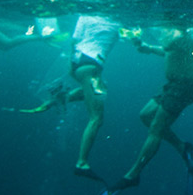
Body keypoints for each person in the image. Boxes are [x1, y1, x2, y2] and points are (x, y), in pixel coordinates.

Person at [20, 15, 122, 181]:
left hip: (76, 61)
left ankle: (60, 98)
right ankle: (82, 163)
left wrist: (70, 67)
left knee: (101, 90)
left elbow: (74, 41)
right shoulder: (117, 20)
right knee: (96, 118)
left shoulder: (85, 16)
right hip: (92, 65)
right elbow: (131, 35)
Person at [107, 28, 193, 193]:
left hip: (185, 86)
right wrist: (148, 47)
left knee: (156, 128)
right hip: (174, 85)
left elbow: (168, 44)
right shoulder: (175, 34)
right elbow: (170, 52)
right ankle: (181, 146)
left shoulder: (181, 33)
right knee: (145, 116)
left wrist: (143, 33)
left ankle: (133, 175)